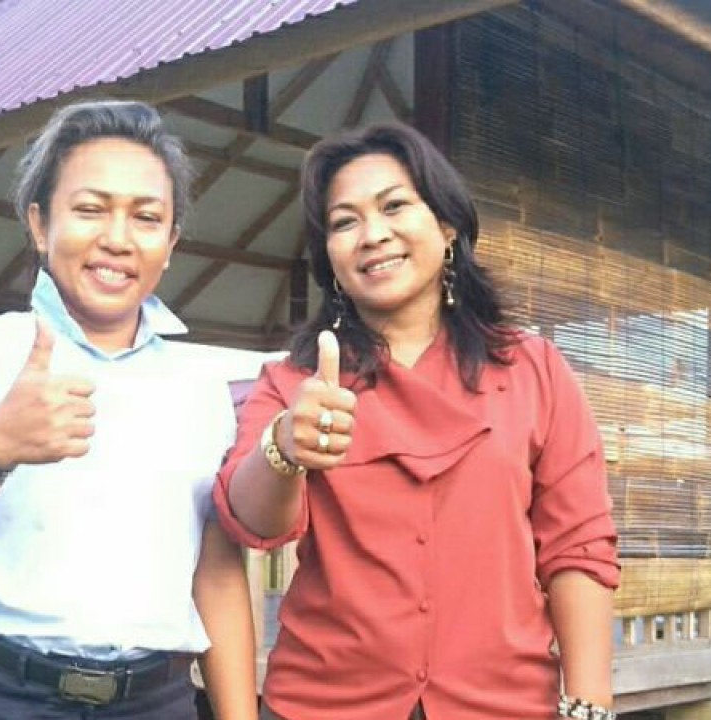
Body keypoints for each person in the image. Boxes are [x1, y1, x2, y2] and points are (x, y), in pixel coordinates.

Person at [212, 122, 620, 720]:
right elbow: (250, 522)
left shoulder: (534, 370)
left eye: (395, 206)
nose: (373, 234)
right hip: (325, 705)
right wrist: (283, 449)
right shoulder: (295, 383)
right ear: (329, 256)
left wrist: (590, 708)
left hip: (504, 705)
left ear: (447, 225)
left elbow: (577, 547)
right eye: (344, 222)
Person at [0, 101, 257, 720]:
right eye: (90, 209)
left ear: (169, 245)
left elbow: (216, 575)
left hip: (154, 702)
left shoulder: (199, 384)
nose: (116, 238)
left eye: (146, 218)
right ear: (39, 224)